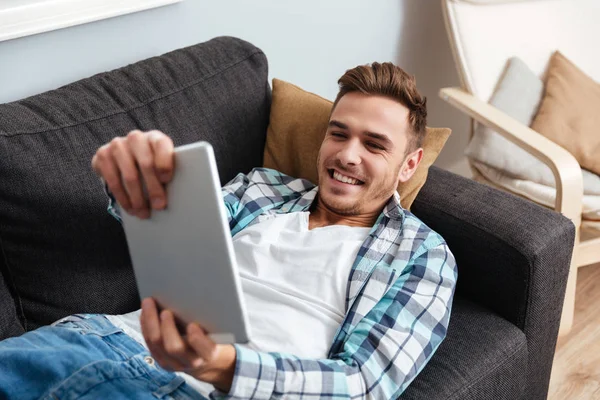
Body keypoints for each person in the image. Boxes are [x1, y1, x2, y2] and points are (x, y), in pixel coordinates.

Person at [0, 62, 457, 400]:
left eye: (374, 144)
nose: (347, 156)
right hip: (94, 339)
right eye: (338, 134)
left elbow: (364, 383)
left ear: (409, 165)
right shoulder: (263, 188)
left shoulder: (422, 256)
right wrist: (139, 180)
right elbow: (172, 226)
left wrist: (225, 367)